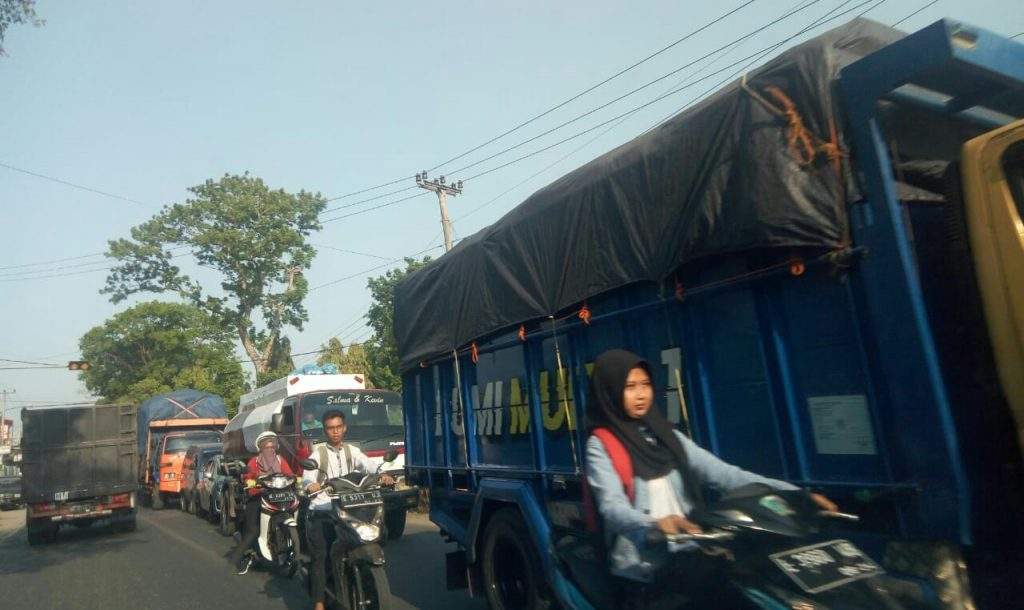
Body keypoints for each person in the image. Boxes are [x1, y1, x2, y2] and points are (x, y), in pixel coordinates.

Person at [584, 349, 838, 605]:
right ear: (609, 392)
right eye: (630, 387)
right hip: (645, 566)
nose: (641, 394)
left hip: (690, 549)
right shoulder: (601, 444)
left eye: (645, 384)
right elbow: (612, 507)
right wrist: (655, 523)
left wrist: (795, 494)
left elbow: (725, 474)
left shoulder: (665, 435)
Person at [302, 410, 394, 610]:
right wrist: (311, 485)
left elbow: (370, 466)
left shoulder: (353, 451)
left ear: (344, 428)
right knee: (321, 556)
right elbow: (308, 477)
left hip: (349, 508)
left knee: (371, 535)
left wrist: (383, 474)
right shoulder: (318, 454)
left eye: (338, 427)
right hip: (323, 510)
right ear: (325, 431)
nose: (335, 431)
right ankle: (319, 603)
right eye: (330, 428)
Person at [227, 431, 294, 575]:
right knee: (253, 530)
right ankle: (236, 560)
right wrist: (250, 481)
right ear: (260, 448)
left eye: (272, 446)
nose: (270, 449)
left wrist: (295, 478)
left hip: (280, 498)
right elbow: (247, 476)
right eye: (266, 447)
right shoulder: (254, 462)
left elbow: (290, 474)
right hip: (258, 498)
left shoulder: (281, 460)